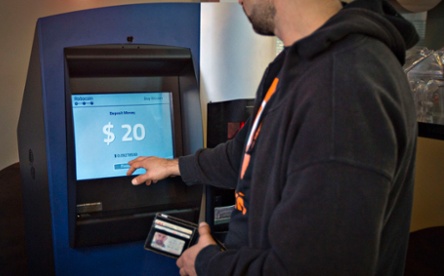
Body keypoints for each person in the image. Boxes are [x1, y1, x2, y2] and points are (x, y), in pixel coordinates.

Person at [127, 0, 419, 274]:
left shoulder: (342, 86)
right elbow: (245, 156)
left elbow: (315, 269)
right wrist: (173, 165)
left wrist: (209, 264)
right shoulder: (297, 64)